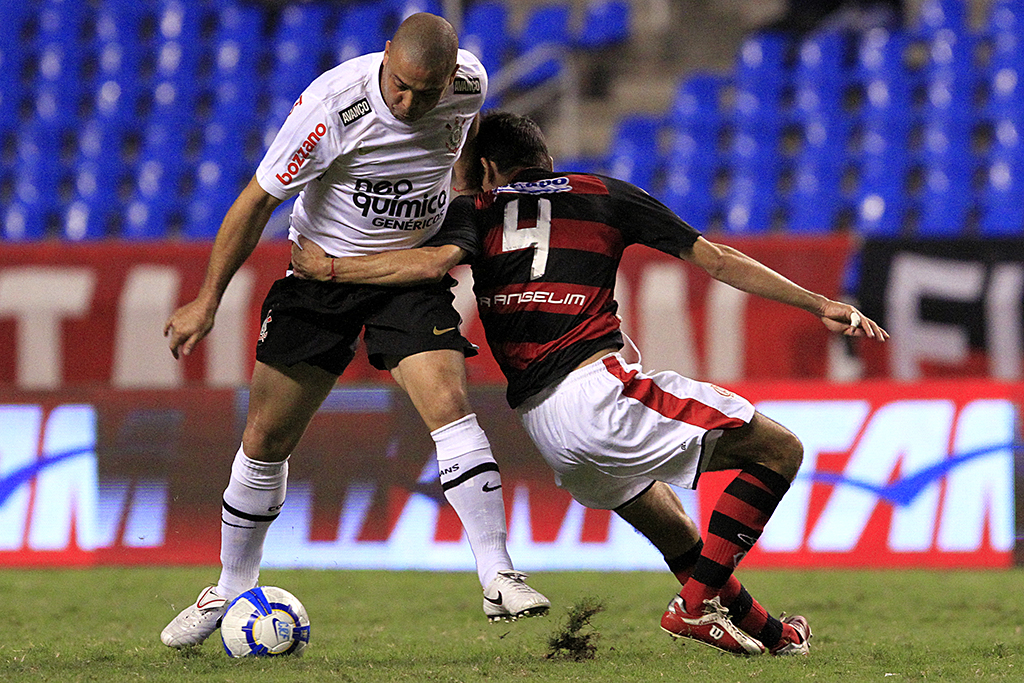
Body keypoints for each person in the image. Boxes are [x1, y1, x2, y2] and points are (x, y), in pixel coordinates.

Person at [289, 110, 890, 656]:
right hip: (596, 389)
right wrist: (818, 304)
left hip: (544, 425)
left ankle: (774, 637)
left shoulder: (474, 209)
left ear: (490, 168)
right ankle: (694, 607)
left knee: (677, 531)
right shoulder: (603, 194)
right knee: (779, 449)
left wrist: (328, 265)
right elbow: (717, 260)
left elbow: (421, 264)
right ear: (545, 161)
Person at [159, 16, 549, 649]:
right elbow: (255, 201)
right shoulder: (331, 107)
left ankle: (498, 573)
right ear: (385, 55)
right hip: (320, 275)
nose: (408, 103)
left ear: (450, 77)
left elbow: (465, 134)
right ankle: (230, 587)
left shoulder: (471, 83)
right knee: (265, 436)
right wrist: (206, 301)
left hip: (406, 276)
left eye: (426, 93)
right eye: (399, 86)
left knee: (448, 403)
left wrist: (462, 191)